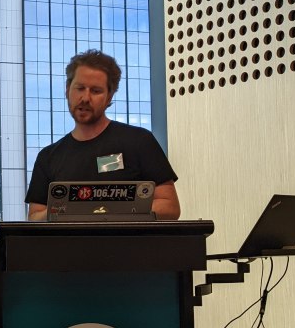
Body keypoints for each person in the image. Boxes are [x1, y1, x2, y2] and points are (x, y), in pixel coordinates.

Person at [26, 49, 181, 221]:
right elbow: (34, 217)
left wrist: (102, 210)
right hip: (69, 248)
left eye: (95, 91)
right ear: (67, 89)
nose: (85, 98)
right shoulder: (48, 157)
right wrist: (73, 211)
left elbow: (170, 207)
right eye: (79, 88)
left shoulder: (139, 141)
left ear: (109, 97)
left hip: (130, 247)